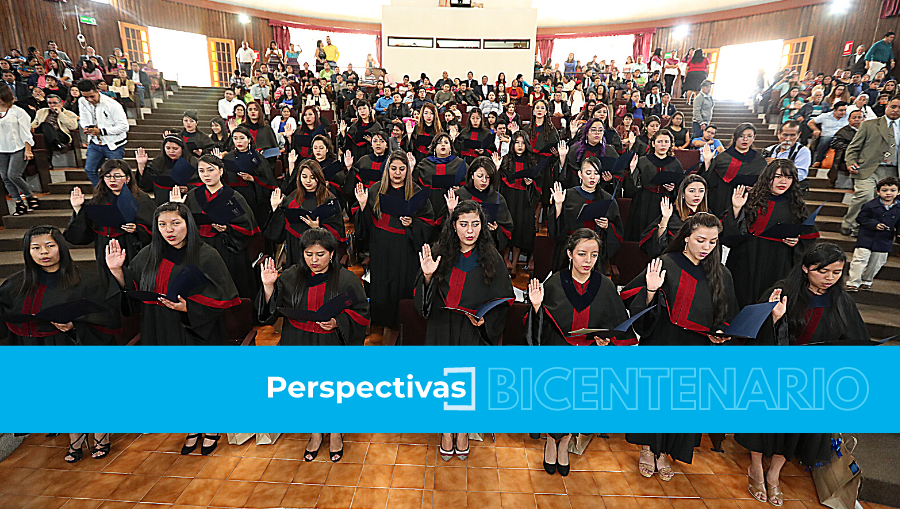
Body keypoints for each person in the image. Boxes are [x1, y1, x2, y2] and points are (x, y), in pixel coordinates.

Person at [353, 151, 433, 346]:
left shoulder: (415, 192)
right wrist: (363, 206)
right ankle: (383, 324)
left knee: (401, 292)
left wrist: (412, 223)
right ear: (387, 169)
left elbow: (429, 224)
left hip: (405, 251)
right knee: (382, 291)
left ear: (408, 171)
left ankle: (399, 329)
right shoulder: (374, 191)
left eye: (402, 169)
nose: (397, 173)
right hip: (381, 249)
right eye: (393, 168)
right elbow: (365, 229)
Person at [622, 212, 738, 344]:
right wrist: (650, 291)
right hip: (663, 343)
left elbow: (727, 315)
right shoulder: (664, 264)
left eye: (713, 242)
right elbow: (633, 303)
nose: (706, 247)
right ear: (686, 237)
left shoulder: (722, 274)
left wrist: (719, 332)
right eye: (700, 240)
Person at [723, 159, 820, 307]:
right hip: (746, 261)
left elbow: (809, 239)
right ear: (768, 178)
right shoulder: (749, 199)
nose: (783, 182)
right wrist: (736, 209)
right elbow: (730, 235)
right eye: (778, 176)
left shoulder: (797, 207)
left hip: (778, 262)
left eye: (788, 177)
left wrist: (797, 242)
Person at [171, 155, 259, 299]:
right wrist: (178, 207)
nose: (206, 175)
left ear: (221, 171)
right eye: (202, 171)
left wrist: (227, 229)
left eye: (210, 170)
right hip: (198, 247)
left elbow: (246, 226)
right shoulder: (193, 195)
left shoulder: (234, 197)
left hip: (225, 247)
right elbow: (181, 223)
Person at [65, 159, 155, 281]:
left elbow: (154, 226)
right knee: (108, 281)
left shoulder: (141, 199)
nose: (112, 180)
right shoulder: (98, 200)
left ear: (128, 178)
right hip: (104, 246)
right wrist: (78, 209)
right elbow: (84, 232)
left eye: (117, 176)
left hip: (130, 244)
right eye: (107, 176)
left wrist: (137, 229)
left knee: (132, 279)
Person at [549, 155, 623, 271]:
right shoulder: (568, 195)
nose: (592, 177)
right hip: (571, 249)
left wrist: (608, 226)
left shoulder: (607, 199)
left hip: (595, 252)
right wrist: (558, 205)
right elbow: (557, 231)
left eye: (596, 173)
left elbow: (618, 230)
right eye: (588, 173)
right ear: (580, 174)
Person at [839, 96, 900, 236]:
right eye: (893, 106)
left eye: (899, 108)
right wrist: (851, 162)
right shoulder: (869, 125)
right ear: (886, 107)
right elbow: (853, 148)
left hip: (894, 171)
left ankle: (876, 229)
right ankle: (850, 224)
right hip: (869, 168)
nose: (896, 110)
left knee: (886, 201)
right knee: (865, 196)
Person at [624, 129, 684, 240]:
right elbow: (630, 189)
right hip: (644, 201)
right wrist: (632, 171)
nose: (663, 145)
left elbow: (681, 187)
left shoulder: (675, 163)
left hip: (665, 202)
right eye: (660, 141)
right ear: (653, 143)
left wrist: (673, 189)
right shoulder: (643, 161)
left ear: (671, 144)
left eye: (666, 142)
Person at [701, 123, 767, 217]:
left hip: (748, 200)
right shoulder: (723, 157)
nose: (745, 139)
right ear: (735, 137)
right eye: (741, 136)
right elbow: (711, 183)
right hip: (724, 199)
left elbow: (764, 183)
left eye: (749, 136)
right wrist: (707, 162)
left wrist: (754, 188)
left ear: (754, 137)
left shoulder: (759, 159)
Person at [846, 176, 900, 291]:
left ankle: (867, 280)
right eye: (884, 190)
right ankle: (853, 282)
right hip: (866, 238)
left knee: (877, 263)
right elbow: (861, 218)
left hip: (884, 240)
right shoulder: (870, 205)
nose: (888, 193)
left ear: (898, 192)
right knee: (859, 260)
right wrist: (874, 225)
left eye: (892, 190)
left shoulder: (899, 208)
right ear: (878, 192)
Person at [499, 131, 542, 275]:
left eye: (523, 143)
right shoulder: (506, 160)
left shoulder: (532, 161)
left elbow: (538, 187)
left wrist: (530, 184)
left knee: (520, 231)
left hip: (524, 201)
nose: (520, 146)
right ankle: (505, 260)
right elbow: (499, 183)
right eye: (517, 142)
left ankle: (515, 263)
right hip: (509, 199)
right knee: (507, 228)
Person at [219, 126, 277, 229]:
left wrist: (253, 179)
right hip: (233, 196)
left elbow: (269, 181)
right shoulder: (228, 157)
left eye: (242, 138)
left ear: (249, 139)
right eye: (235, 138)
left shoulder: (257, 157)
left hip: (253, 195)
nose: (239, 141)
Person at [640, 174, 708, 258]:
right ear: (682, 193)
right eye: (692, 191)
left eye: (701, 191)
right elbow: (658, 247)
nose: (697, 195)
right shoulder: (672, 213)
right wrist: (665, 219)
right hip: (675, 260)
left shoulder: (708, 215)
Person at [77, 79, 129, 187]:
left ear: (97, 91)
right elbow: (84, 118)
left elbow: (124, 126)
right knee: (90, 169)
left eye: (92, 96)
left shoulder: (112, 105)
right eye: (86, 97)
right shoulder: (82, 101)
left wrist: (102, 131)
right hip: (95, 142)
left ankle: (121, 196)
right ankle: (102, 192)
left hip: (114, 144)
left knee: (117, 173)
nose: (89, 100)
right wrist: (87, 128)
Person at [0, 84, 37, 216]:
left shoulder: (18, 111)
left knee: (13, 175)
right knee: (5, 177)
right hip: (2, 149)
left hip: (18, 147)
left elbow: (25, 131)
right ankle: (18, 203)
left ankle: (29, 196)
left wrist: (28, 149)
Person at [136, 136, 200, 207]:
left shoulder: (192, 162)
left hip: (185, 200)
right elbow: (146, 185)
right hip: (162, 200)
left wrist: (188, 188)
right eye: (168, 148)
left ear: (182, 149)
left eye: (175, 149)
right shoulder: (157, 162)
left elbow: (200, 183)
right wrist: (141, 164)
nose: (171, 151)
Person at [30, 93, 78, 161]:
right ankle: (57, 144)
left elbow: (73, 126)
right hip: (43, 130)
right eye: (50, 103)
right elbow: (34, 124)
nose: (52, 105)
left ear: (61, 104)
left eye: (55, 103)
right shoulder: (41, 111)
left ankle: (48, 161)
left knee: (46, 137)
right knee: (45, 125)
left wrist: (60, 113)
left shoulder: (69, 114)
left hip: (60, 133)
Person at [764, 120, 812, 185]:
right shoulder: (769, 150)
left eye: (792, 135)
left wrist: (776, 165)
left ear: (798, 135)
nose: (788, 139)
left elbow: (800, 175)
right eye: (785, 135)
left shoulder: (803, 151)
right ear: (778, 134)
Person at [829, 109, 865, 189]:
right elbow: (834, 144)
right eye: (854, 117)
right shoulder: (843, 131)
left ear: (864, 119)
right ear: (849, 119)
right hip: (846, 157)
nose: (856, 119)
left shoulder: (868, 130)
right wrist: (852, 147)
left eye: (859, 117)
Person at [809, 101, 850, 167]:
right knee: (825, 141)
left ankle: (845, 163)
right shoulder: (825, 116)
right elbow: (810, 122)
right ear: (834, 110)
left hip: (843, 136)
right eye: (841, 110)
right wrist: (816, 130)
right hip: (828, 135)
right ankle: (818, 161)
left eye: (845, 110)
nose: (843, 112)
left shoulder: (848, 116)